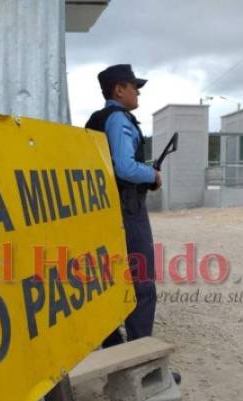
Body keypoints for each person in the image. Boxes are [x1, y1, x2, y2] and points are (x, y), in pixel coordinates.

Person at [85, 64, 161, 349]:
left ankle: (113, 342)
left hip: (101, 208)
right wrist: (151, 175)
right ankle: (139, 355)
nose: (138, 92)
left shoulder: (98, 119)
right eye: (134, 86)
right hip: (126, 209)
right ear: (119, 89)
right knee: (142, 280)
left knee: (108, 276)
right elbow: (124, 167)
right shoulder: (119, 119)